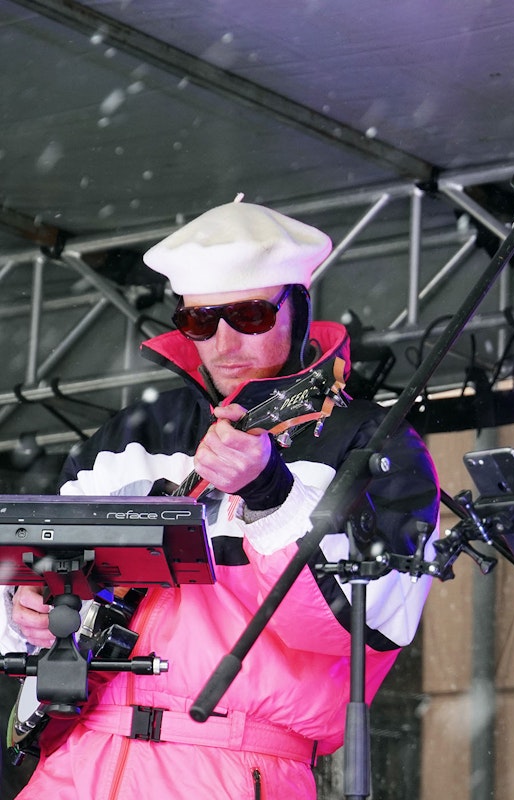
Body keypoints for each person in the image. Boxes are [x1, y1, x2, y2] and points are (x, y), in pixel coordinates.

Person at [1, 199, 441, 799]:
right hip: (72, 761)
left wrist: (270, 492)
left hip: (237, 766)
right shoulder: (129, 438)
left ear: (301, 309)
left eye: (252, 315)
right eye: (201, 323)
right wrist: (24, 604)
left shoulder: (369, 440)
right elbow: (32, 581)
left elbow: (369, 624)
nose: (225, 341)